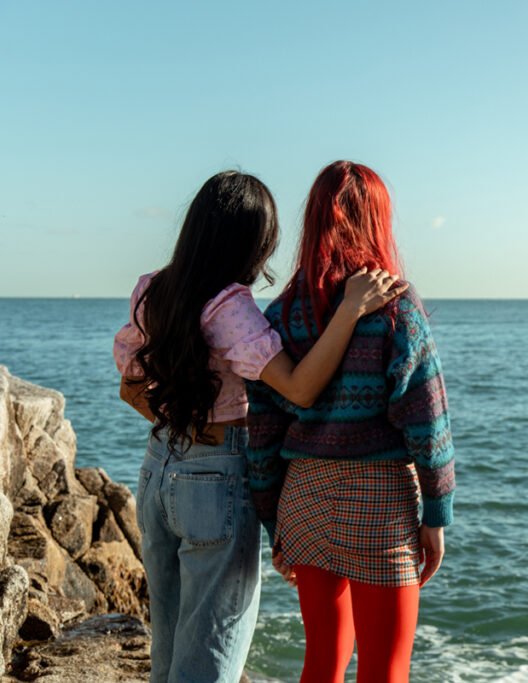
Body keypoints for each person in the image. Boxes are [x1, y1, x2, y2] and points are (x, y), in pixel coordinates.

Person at [113, 170, 405, 683]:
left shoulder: (153, 288)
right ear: (248, 242)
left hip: (157, 467)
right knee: (210, 649)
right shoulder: (230, 308)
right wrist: (350, 310)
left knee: (169, 641)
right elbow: (299, 388)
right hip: (215, 472)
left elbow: (131, 378)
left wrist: (182, 420)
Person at [246, 161, 454, 683]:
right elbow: (427, 420)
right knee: (385, 671)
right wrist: (437, 515)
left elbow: (263, 430)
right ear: (379, 220)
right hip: (380, 502)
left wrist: (276, 523)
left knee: (321, 663)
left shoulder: (283, 313)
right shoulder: (395, 309)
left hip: (304, 498)